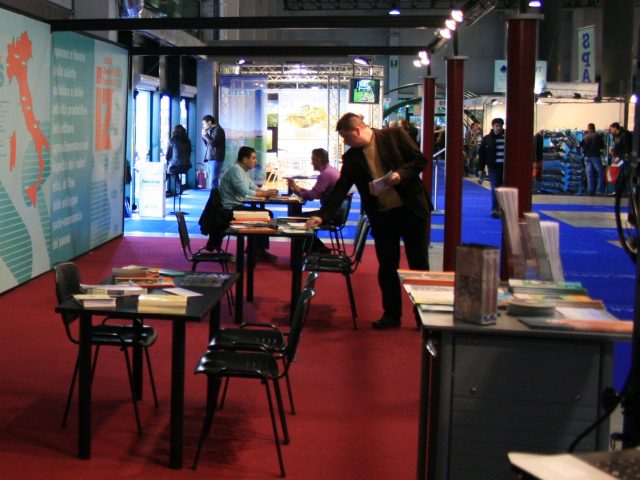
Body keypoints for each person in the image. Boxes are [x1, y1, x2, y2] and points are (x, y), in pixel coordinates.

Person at [305, 113, 431, 329]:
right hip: (383, 217)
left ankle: (423, 316)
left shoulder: (394, 135)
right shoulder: (352, 158)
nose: (345, 142)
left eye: (346, 137)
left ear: (357, 130)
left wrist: (400, 175)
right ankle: (392, 314)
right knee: (387, 267)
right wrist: (322, 215)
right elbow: (341, 188)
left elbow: (420, 160)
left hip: (412, 211)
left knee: (419, 265)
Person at [219, 146, 279, 262]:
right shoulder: (236, 170)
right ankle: (256, 251)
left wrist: (266, 192)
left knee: (267, 214)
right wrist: (265, 193)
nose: (255, 161)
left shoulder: (242, 170)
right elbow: (244, 192)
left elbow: (253, 187)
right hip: (230, 210)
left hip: (236, 207)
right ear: (245, 159)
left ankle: (256, 250)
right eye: (253, 158)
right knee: (266, 215)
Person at [287, 148, 340, 252]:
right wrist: (298, 189)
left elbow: (311, 196)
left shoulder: (325, 174)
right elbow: (316, 194)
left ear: (319, 159)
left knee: (296, 220)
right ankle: (316, 249)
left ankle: (319, 249)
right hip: (335, 211)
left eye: (312, 159)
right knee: (297, 218)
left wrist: (296, 190)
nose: (311, 162)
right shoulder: (331, 171)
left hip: (331, 213)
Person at [477, 118, 506, 218]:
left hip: (505, 168)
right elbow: (482, 155)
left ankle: (504, 208)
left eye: (500, 126)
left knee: (504, 188)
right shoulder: (487, 139)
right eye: (496, 126)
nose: (498, 128)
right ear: (493, 127)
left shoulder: (507, 137)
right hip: (493, 167)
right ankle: (495, 209)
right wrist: (481, 169)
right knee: (495, 188)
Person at [165, 124, 192, 196]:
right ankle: (179, 189)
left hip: (175, 166)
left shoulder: (172, 140)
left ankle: (160, 186)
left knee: (168, 171)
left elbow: (167, 156)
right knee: (172, 172)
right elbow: (189, 154)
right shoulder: (188, 141)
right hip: (186, 166)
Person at [580, 123, 606, 195]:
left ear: (588, 128)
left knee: (589, 174)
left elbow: (581, 145)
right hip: (595, 156)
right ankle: (599, 190)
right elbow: (602, 146)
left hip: (587, 157)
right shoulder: (598, 136)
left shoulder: (585, 136)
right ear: (594, 128)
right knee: (600, 173)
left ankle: (590, 191)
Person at [201, 115, 226, 189]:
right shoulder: (212, 130)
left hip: (216, 158)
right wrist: (204, 136)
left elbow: (213, 143)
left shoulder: (218, 130)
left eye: (204, 123)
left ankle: (215, 196)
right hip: (211, 158)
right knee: (212, 181)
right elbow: (208, 145)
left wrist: (206, 135)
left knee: (213, 181)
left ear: (209, 122)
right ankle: (214, 195)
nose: (203, 125)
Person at [609, 122, 633, 193]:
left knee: (623, 175)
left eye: (611, 129)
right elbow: (618, 147)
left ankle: (628, 191)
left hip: (622, 159)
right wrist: (613, 151)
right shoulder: (616, 136)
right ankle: (618, 191)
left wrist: (619, 157)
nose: (610, 131)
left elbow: (626, 149)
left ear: (615, 128)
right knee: (619, 175)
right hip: (618, 158)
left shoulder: (624, 136)